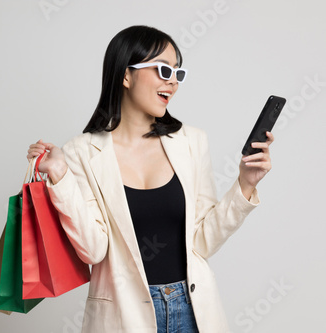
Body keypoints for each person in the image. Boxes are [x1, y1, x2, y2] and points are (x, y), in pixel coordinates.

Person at [26, 25, 273, 333]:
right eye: (162, 69)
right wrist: (60, 176)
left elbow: (203, 241)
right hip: (123, 317)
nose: (173, 81)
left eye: (177, 73)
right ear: (125, 75)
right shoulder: (81, 151)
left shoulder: (192, 142)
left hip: (192, 310)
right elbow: (93, 249)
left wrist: (246, 184)